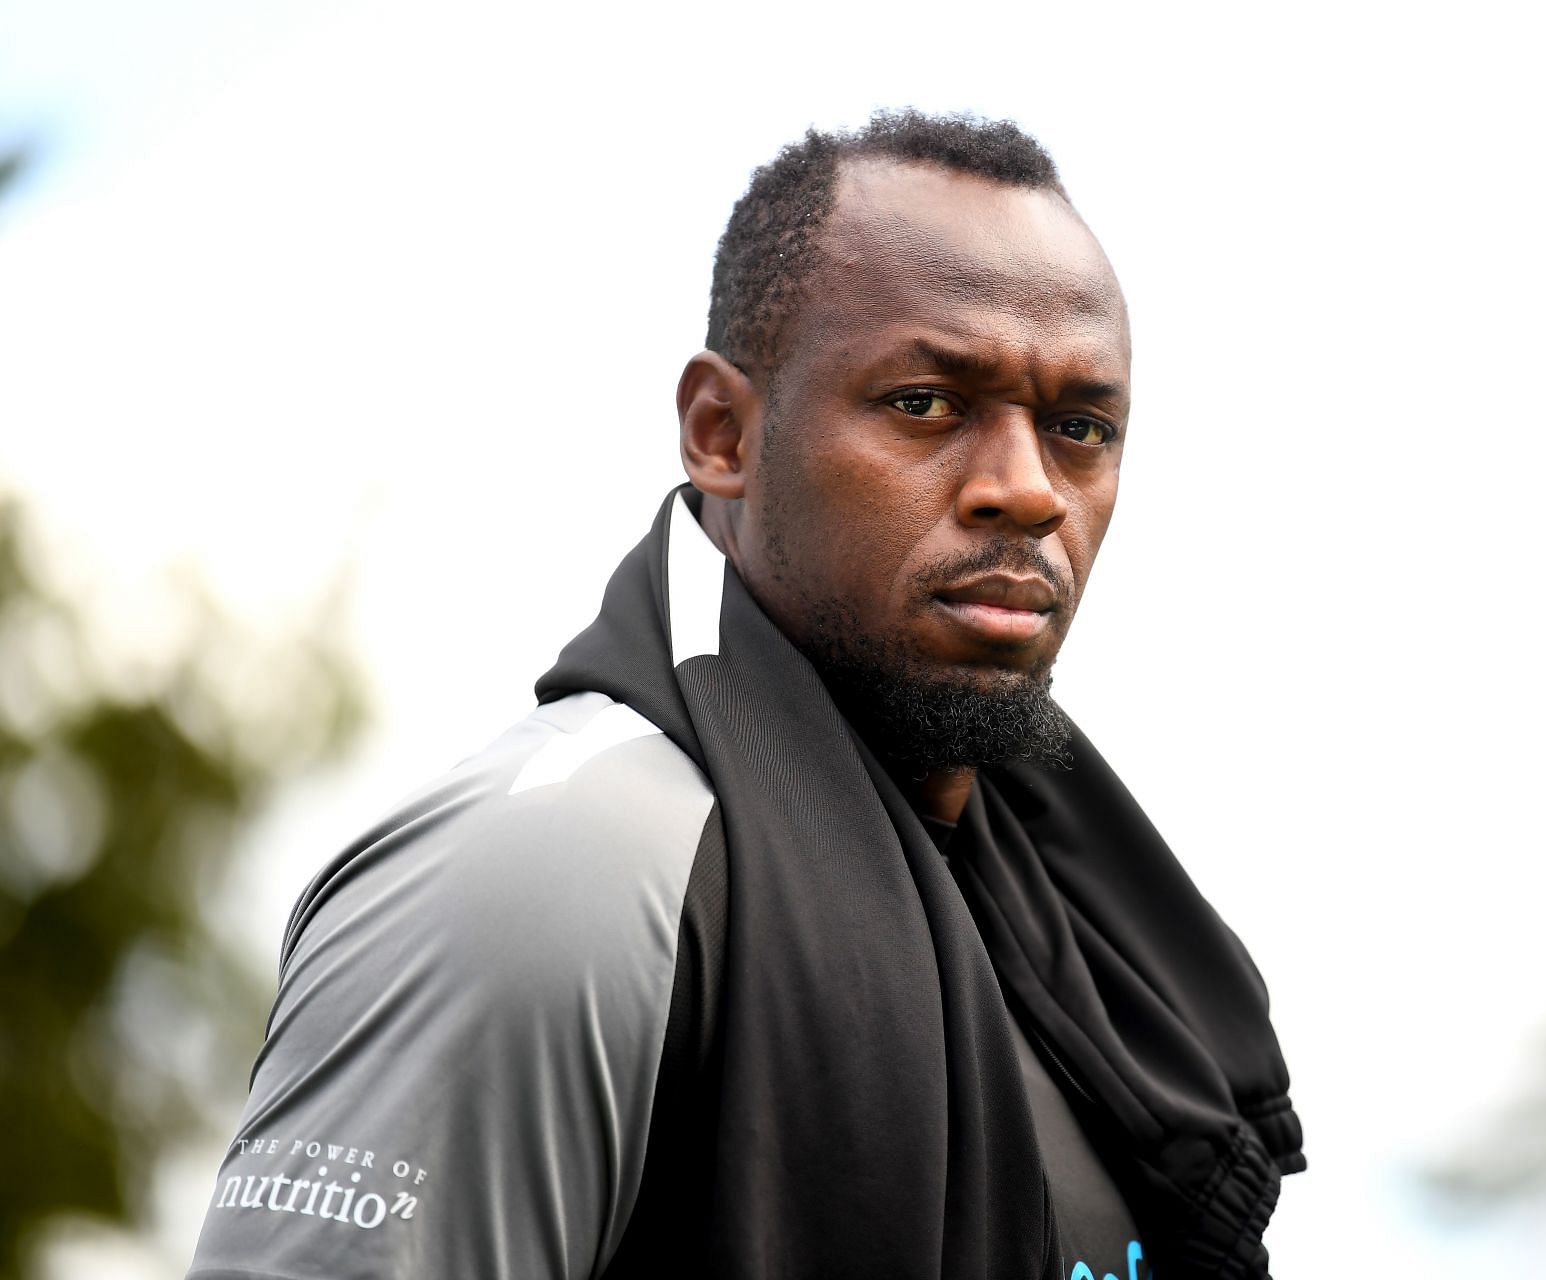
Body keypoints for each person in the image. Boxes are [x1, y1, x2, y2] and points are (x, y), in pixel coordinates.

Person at [187, 109, 1304, 1280]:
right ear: (721, 432)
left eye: (1080, 427)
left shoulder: (1094, 953)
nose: (1027, 490)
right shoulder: (565, 865)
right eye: (926, 403)